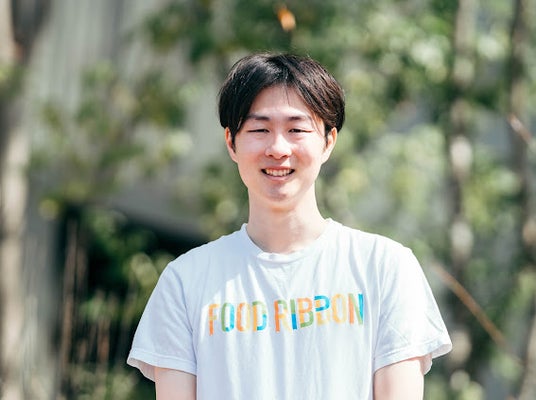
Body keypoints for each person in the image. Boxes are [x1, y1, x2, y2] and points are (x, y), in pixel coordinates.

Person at [127, 52, 452, 399]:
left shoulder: (385, 267)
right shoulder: (185, 281)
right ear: (231, 142)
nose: (278, 148)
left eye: (296, 129)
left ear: (328, 141)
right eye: (259, 129)